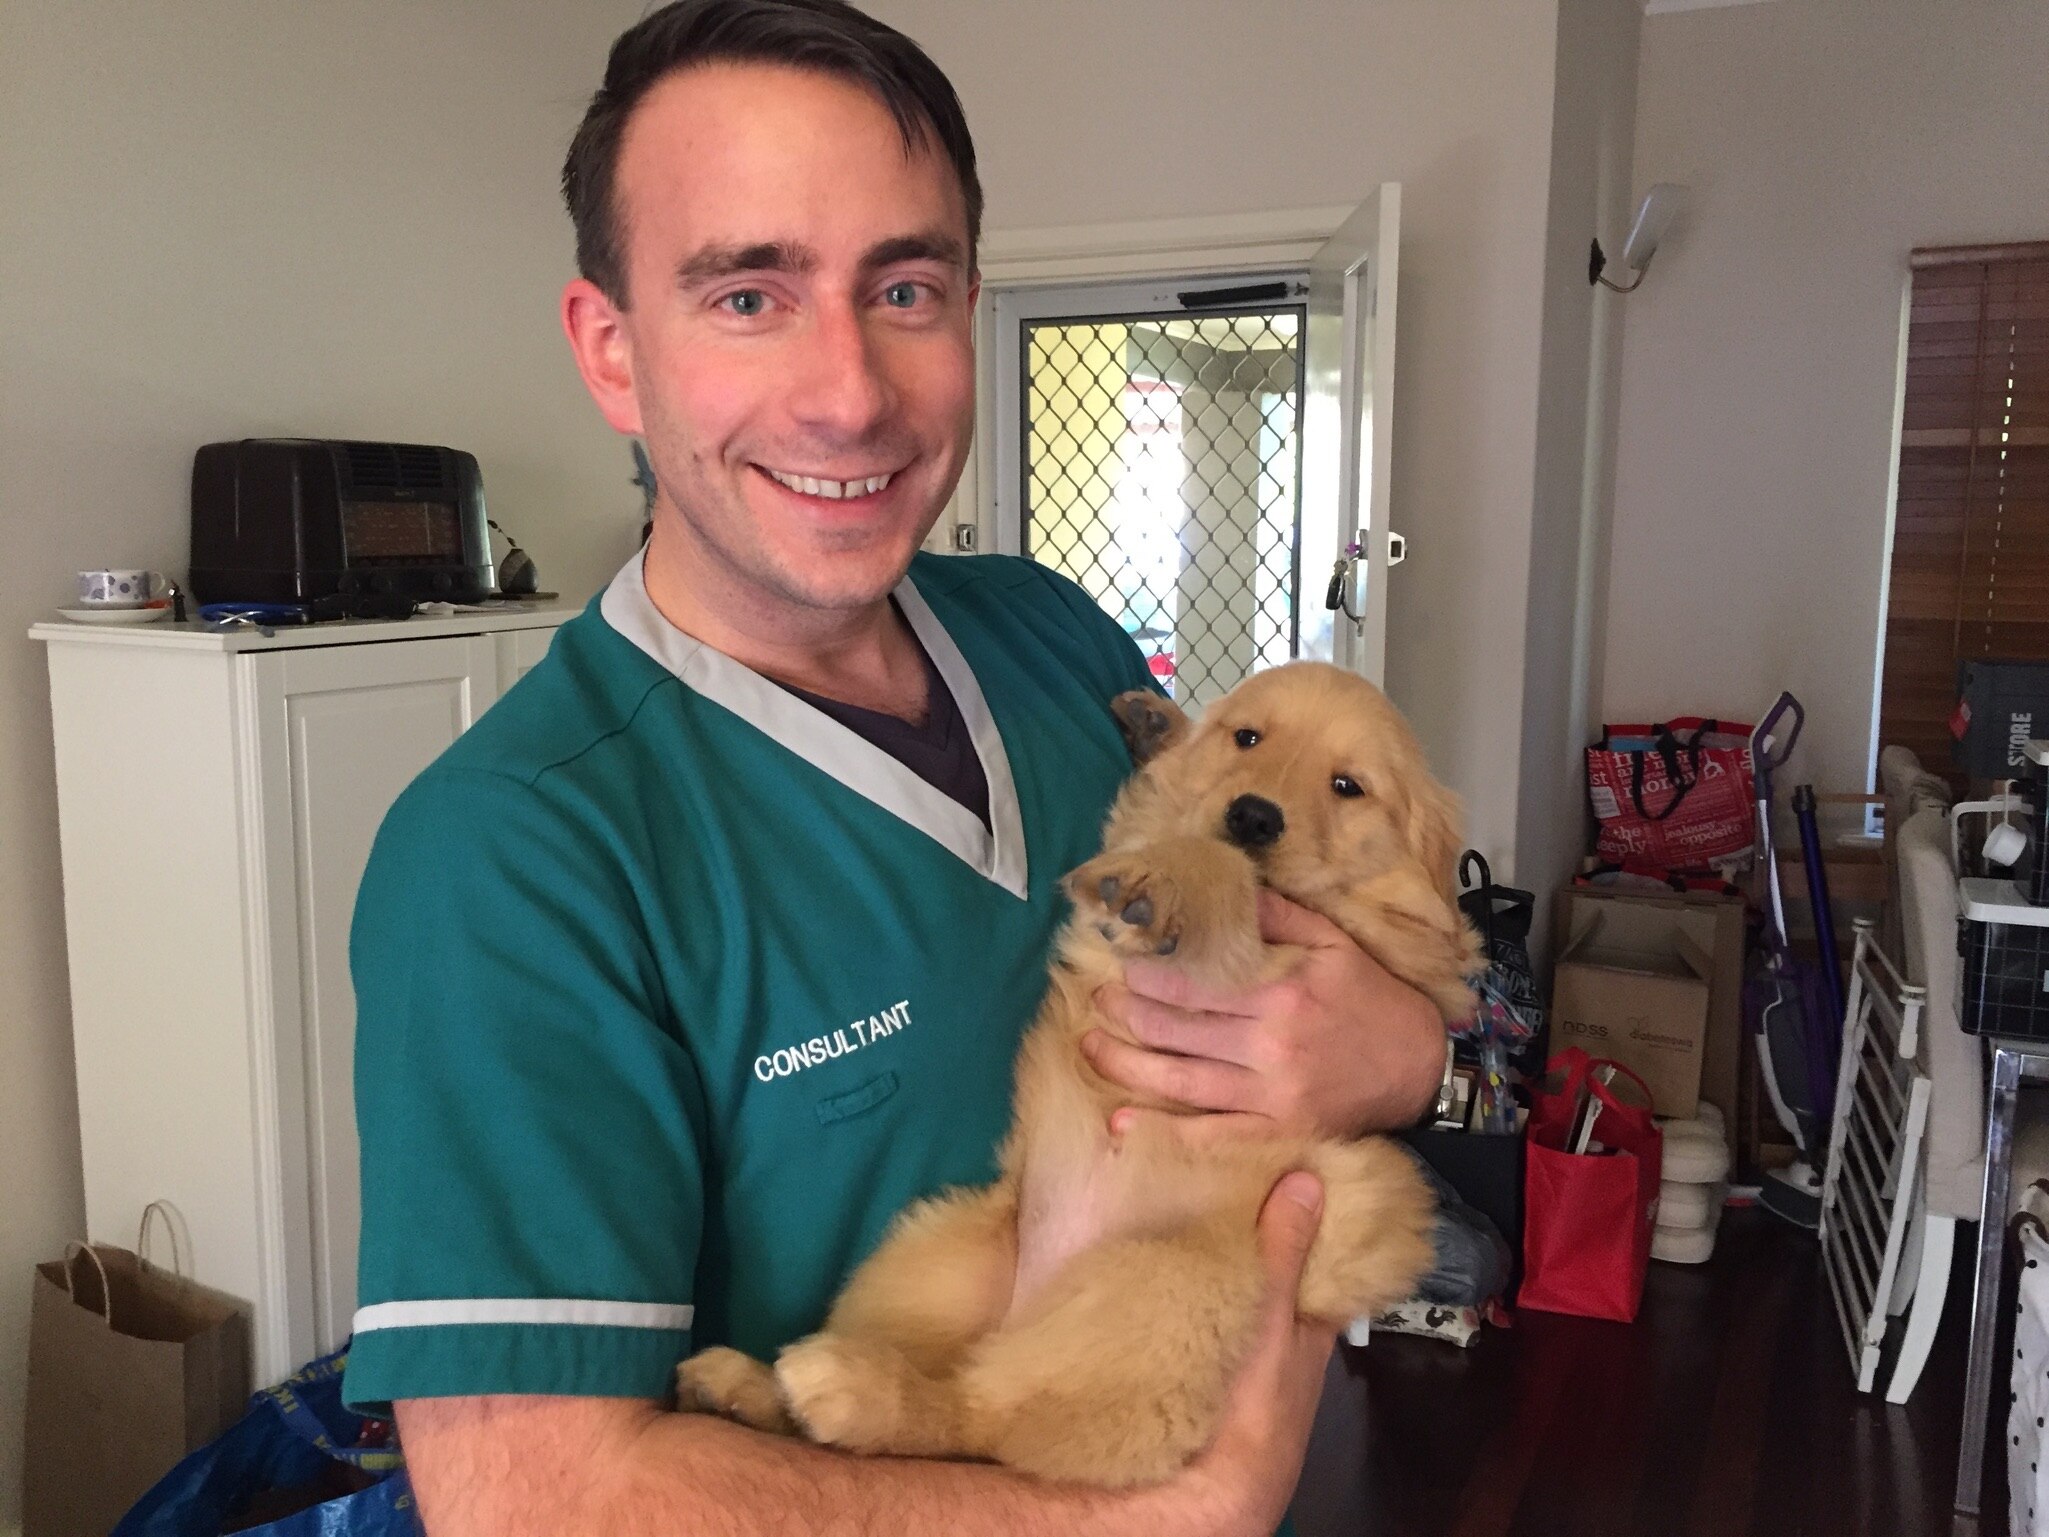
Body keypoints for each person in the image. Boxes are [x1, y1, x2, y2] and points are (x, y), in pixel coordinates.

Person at [342, 3, 1449, 1532]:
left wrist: (1405, 1054)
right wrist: (1162, 1519)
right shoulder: (513, 854)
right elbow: (537, 1498)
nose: (849, 393)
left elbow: (1320, 925)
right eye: (747, 294)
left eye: (904, 287)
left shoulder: (1057, 639)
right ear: (612, 350)